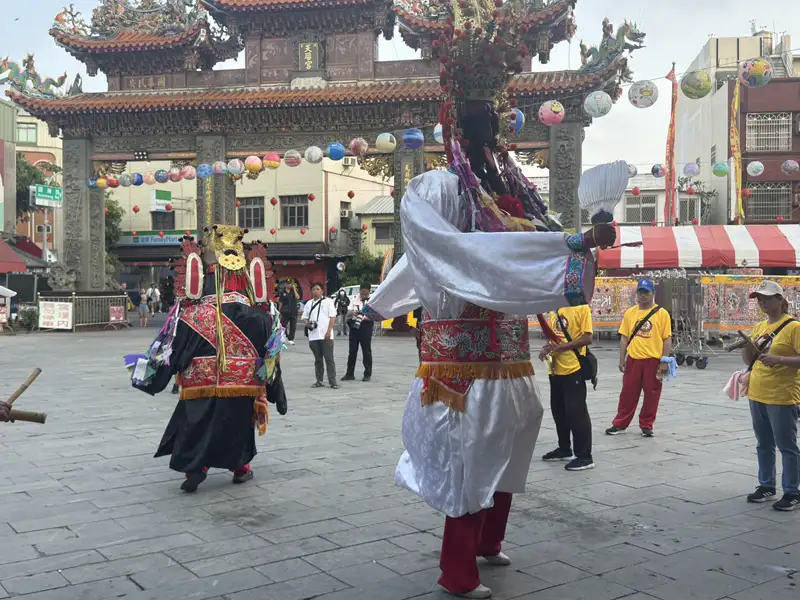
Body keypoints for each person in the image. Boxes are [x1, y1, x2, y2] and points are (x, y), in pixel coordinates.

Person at [361, 34, 619, 594]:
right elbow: (453, 256)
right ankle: (456, 571)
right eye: (478, 119)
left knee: (512, 446)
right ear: (454, 123)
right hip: (463, 363)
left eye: (495, 119)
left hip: (508, 352)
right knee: (471, 459)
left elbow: (537, 243)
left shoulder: (510, 190)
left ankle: (489, 542)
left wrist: (577, 242)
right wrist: (570, 246)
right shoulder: (433, 190)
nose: (490, 132)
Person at [131, 224, 285, 493]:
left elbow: (172, 352)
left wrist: (151, 378)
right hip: (243, 384)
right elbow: (270, 358)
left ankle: (195, 470)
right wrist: (277, 393)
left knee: (197, 423)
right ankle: (240, 468)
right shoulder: (261, 317)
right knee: (238, 425)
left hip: (200, 384)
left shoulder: (193, 316)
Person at [743, 280, 800, 511]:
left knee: (786, 445)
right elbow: (749, 360)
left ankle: (792, 491)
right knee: (763, 443)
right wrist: (748, 346)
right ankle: (766, 485)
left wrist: (779, 360)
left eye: (767, 298)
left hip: (782, 395)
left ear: (780, 300)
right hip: (758, 392)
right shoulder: (759, 327)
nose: (763, 302)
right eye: (760, 299)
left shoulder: (794, 327)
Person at [606, 278, 672, 438]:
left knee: (652, 393)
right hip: (634, 359)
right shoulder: (630, 313)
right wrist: (622, 359)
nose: (642, 296)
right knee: (628, 392)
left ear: (653, 294)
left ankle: (647, 424)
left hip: (653, 360)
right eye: (640, 293)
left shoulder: (662, 314)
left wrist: (664, 360)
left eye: (646, 293)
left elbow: (667, 339)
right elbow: (624, 338)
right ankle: (620, 423)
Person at [539, 304, 595, 471]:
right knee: (559, 411)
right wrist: (546, 349)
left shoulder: (581, 307)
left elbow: (587, 338)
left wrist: (562, 347)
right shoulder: (554, 309)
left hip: (573, 368)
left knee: (576, 413)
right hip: (555, 369)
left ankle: (585, 456)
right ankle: (564, 448)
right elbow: (554, 338)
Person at [301, 282, 338, 389]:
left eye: (317, 289)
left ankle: (333, 381)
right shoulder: (309, 304)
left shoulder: (328, 302)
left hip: (326, 335)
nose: (315, 291)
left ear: (322, 291)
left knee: (329, 359)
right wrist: (307, 323)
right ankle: (319, 380)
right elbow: (304, 317)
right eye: (313, 289)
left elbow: (332, 317)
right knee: (318, 360)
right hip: (313, 336)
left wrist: (329, 331)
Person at [342, 283, 374, 382]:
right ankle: (349, 373)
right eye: (362, 291)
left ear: (369, 291)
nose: (363, 294)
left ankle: (367, 374)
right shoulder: (355, 298)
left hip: (366, 325)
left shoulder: (373, 300)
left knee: (366, 351)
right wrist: (354, 313)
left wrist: (365, 316)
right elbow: (349, 311)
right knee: (352, 351)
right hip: (354, 326)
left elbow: (375, 314)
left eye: (366, 292)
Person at [279, 280, 301, 345]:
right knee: (283, 326)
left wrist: (294, 289)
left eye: (290, 284)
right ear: (285, 284)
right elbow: (281, 302)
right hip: (285, 312)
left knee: (293, 327)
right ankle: (285, 337)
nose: (289, 285)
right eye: (288, 284)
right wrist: (279, 311)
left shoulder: (293, 291)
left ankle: (291, 339)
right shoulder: (283, 292)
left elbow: (298, 297)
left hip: (293, 312)